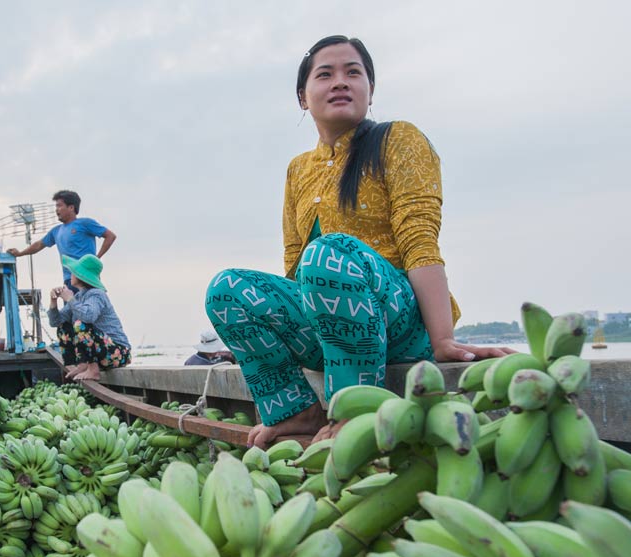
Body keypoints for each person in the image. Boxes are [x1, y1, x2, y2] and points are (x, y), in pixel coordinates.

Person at [205, 35, 512, 450]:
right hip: (329, 328)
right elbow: (294, 267)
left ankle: (355, 410)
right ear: (302, 97)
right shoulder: (298, 170)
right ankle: (296, 412)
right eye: (325, 74)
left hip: (399, 318)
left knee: (327, 254)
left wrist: (443, 340)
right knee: (227, 290)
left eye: (354, 73)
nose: (340, 82)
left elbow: (419, 238)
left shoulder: (397, 139)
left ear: (370, 90)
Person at [7, 190, 117, 291]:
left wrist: (96, 258)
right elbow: (39, 245)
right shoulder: (56, 231)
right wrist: (20, 253)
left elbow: (110, 236)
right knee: (70, 311)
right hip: (69, 280)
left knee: (89, 310)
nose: (57, 210)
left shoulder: (85, 223)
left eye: (60, 206)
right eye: (56, 206)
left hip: (87, 278)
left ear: (71, 207)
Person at [47, 254, 130, 381]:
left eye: (74, 273)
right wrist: (53, 301)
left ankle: (93, 370)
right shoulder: (80, 296)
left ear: (81, 276)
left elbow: (88, 317)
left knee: (81, 324)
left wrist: (69, 298)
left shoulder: (97, 294)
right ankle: (82, 364)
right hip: (102, 353)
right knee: (64, 326)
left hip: (118, 353)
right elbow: (55, 322)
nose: (71, 275)